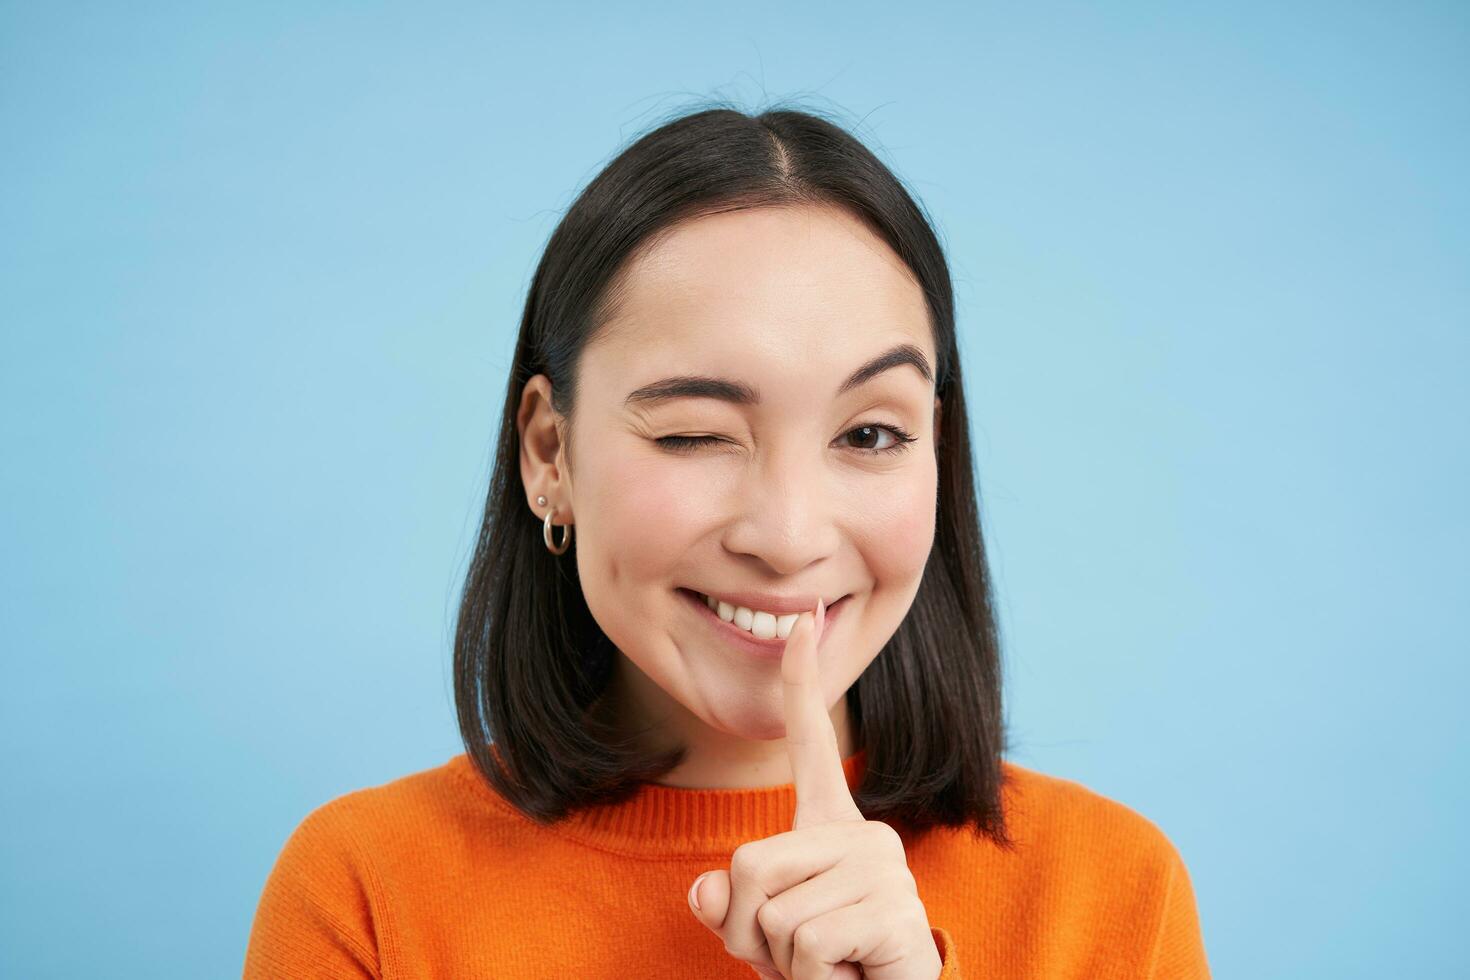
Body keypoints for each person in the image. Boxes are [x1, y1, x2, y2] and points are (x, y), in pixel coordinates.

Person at [242, 104, 1211, 979]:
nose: (789, 537)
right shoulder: (366, 894)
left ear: (937, 453)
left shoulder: (1114, 896)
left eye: (869, 433)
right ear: (550, 451)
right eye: (695, 433)